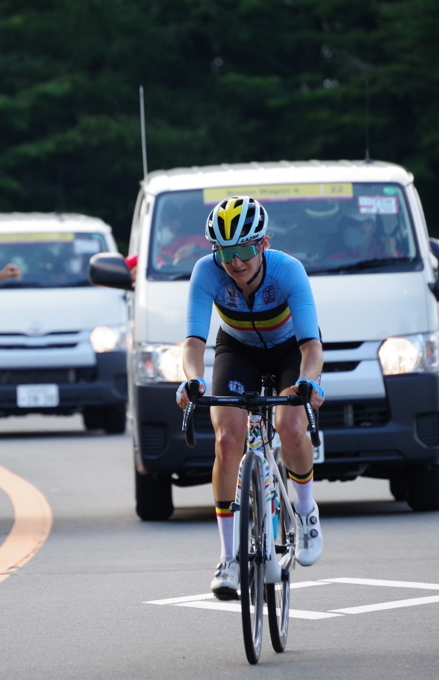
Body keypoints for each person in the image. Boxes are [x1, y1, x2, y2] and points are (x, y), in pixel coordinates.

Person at [174, 195, 324, 600]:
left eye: (243, 250)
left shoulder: (288, 270)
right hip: (237, 350)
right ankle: (228, 558)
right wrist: (193, 380)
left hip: (288, 348)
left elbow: (312, 347)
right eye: (224, 252)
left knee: (290, 426)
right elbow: (192, 343)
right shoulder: (207, 273)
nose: (234, 262)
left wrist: (308, 384)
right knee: (226, 439)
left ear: (263, 244)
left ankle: (306, 510)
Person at [328, 213, 400, 260]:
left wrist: (392, 254)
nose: (348, 228)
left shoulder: (391, 254)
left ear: (373, 227)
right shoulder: (333, 259)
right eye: (345, 223)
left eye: (355, 223)